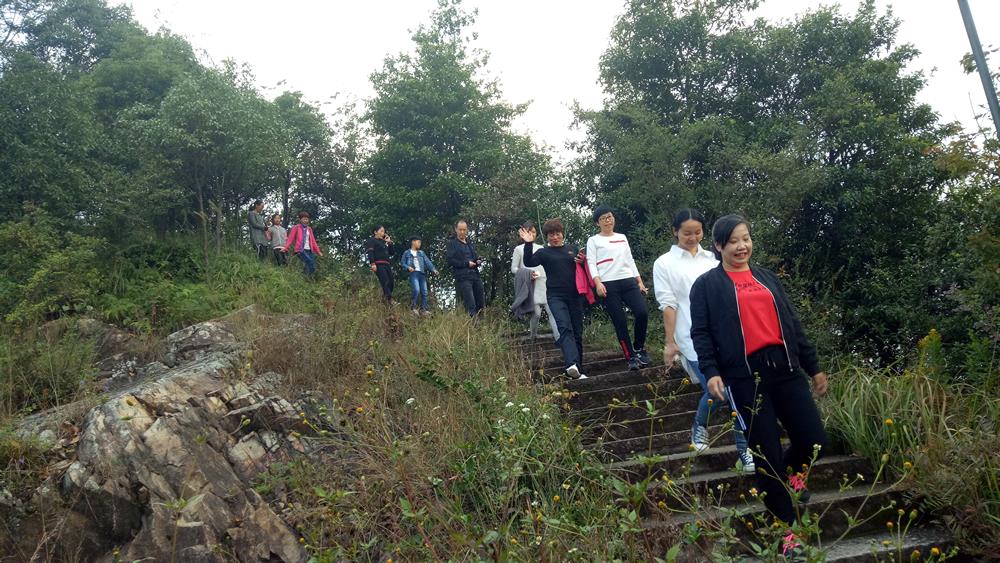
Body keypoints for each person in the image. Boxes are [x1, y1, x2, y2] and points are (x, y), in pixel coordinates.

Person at [690, 214, 829, 525]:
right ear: (718, 246)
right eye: (734, 241)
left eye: (746, 239)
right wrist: (711, 371)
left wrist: (814, 367)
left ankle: (793, 475)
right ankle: (786, 528)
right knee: (766, 456)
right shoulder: (707, 286)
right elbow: (701, 332)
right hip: (744, 377)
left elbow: (792, 324)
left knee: (814, 438)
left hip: (786, 368)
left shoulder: (767, 277)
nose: (742, 246)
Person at [653, 209, 753, 474]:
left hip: (727, 337)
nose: (693, 237)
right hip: (691, 338)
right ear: (675, 231)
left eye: (698, 232)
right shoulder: (664, 263)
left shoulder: (713, 258)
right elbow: (669, 305)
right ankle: (714, 434)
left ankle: (744, 450)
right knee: (721, 391)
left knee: (735, 394)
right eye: (687, 233)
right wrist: (670, 341)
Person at [519, 219, 587, 379]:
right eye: (551, 235)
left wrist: (583, 262)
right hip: (556, 296)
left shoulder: (572, 249)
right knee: (564, 327)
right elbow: (529, 262)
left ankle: (578, 369)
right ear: (547, 236)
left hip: (576, 295)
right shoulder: (544, 252)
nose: (555, 237)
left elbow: (583, 269)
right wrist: (528, 244)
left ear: (562, 234)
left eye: (557, 234)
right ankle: (571, 364)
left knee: (577, 332)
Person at [586, 204, 650, 371]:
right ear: (597, 223)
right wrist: (598, 282)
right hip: (607, 284)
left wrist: (639, 281)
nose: (608, 220)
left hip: (628, 280)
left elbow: (630, 260)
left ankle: (639, 347)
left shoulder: (622, 237)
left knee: (642, 312)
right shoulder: (593, 240)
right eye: (603, 218)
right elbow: (591, 263)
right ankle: (630, 357)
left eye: (609, 216)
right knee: (620, 321)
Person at [510, 221, 560, 341]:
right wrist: (527, 273)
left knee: (552, 311)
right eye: (529, 232)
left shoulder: (541, 248)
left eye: (533, 232)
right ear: (524, 233)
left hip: (544, 281)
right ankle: (533, 336)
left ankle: (559, 338)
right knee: (536, 313)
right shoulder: (519, 249)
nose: (532, 234)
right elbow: (513, 269)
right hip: (531, 284)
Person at [446, 220, 485, 317]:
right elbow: (450, 260)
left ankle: (482, 326)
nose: (462, 232)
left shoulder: (470, 244)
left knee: (481, 302)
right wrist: (466, 263)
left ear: (467, 230)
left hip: (475, 275)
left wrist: (477, 261)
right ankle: (472, 326)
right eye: (460, 230)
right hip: (463, 277)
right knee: (470, 303)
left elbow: (473, 260)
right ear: (456, 230)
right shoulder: (452, 244)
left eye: (464, 230)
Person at [400, 236, 438, 314]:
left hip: (422, 274)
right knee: (416, 290)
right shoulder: (407, 253)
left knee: (425, 292)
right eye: (418, 242)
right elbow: (402, 263)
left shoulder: (421, 253)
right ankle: (413, 307)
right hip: (413, 273)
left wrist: (433, 269)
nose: (420, 244)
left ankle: (424, 309)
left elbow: (427, 262)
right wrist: (408, 267)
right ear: (413, 242)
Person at [281, 211, 322, 278]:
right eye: (304, 219)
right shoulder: (296, 227)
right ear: (300, 219)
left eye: (307, 219)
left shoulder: (309, 229)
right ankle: (305, 278)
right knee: (309, 261)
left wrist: (318, 251)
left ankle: (305, 279)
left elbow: (313, 241)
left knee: (312, 267)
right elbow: (290, 238)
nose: (306, 220)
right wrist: (285, 247)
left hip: (309, 250)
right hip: (300, 250)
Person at [366, 225, 395, 304]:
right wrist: (372, 263)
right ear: (375, 232)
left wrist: (389, 242)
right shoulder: (372, 240)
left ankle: (385, 299)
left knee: (391, 283)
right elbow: (370, 252)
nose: (383, 233)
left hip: (387, 264)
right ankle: (390, 300)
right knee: (385, 281)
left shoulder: (383, 242)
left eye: (384, 231)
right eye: (381, 231)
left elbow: (392, 252)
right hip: (378, 264)